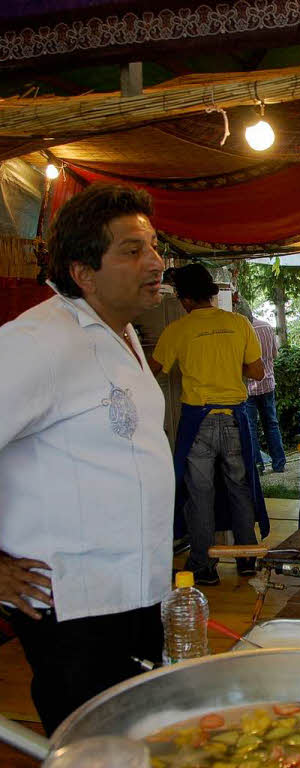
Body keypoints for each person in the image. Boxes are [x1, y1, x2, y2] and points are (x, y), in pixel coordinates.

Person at [0, 184, 172, 734]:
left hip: (138, 590)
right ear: (83, 273)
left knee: (139, 735)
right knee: (91, 743)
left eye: (154, 245)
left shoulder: (124, 333)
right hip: (74, 602)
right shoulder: (37, 341)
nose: (155, 261)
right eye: (131, 250)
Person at [152, 263, 267, 586]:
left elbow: (152, 369)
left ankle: (203, 566)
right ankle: (246, 558)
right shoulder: (239, 323)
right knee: (240, 489)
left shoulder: (177, 329)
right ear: (212, 293)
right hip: (234, 419)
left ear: (184, 298)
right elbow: (257, 372)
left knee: (199, 495)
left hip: (197, 421)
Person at [238, 305, 286, 474]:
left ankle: (257, 465)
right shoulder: (266, 326)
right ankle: (279, 463)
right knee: (271, 423)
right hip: (267, 383)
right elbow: (274, 355)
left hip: (249, 387)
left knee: (251, 427)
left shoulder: (241, 329)